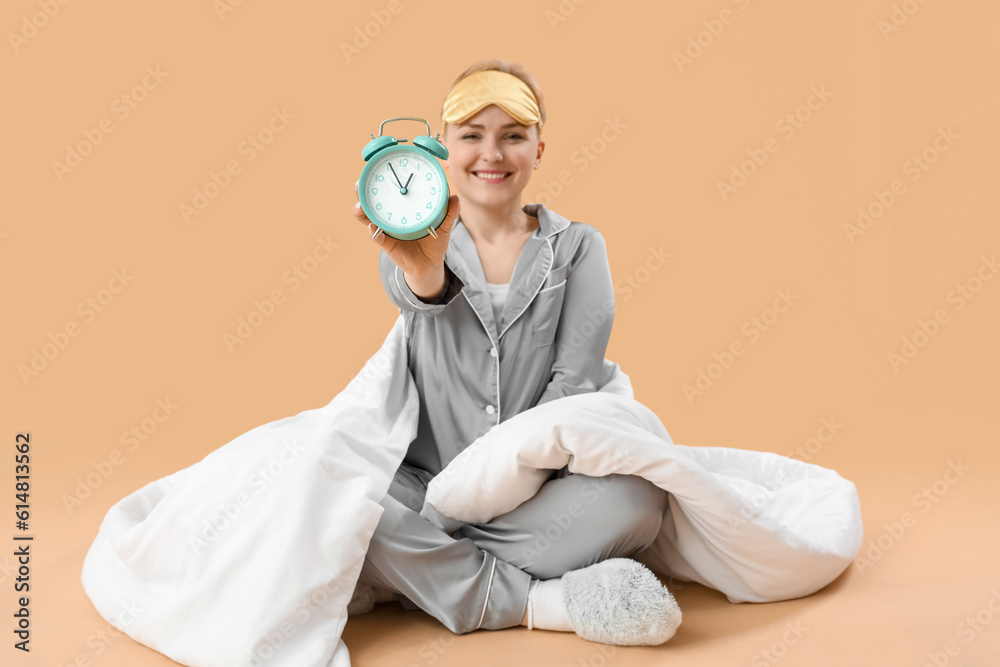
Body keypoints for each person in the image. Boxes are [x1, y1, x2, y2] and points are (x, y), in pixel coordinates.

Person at [349, 58, 680, 646]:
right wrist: (426, 272)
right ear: (443, 148)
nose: (491, 155)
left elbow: (572, 387)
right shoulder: (405, 239)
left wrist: (478, 500)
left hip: (541, 486)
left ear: (539, 149)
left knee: (640, 501)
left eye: (512, 137)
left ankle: (419, 572)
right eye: (471, 136)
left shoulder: (578, 247)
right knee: (345, 500)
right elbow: (415, 295)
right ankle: (539, 601)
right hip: (426, 481)